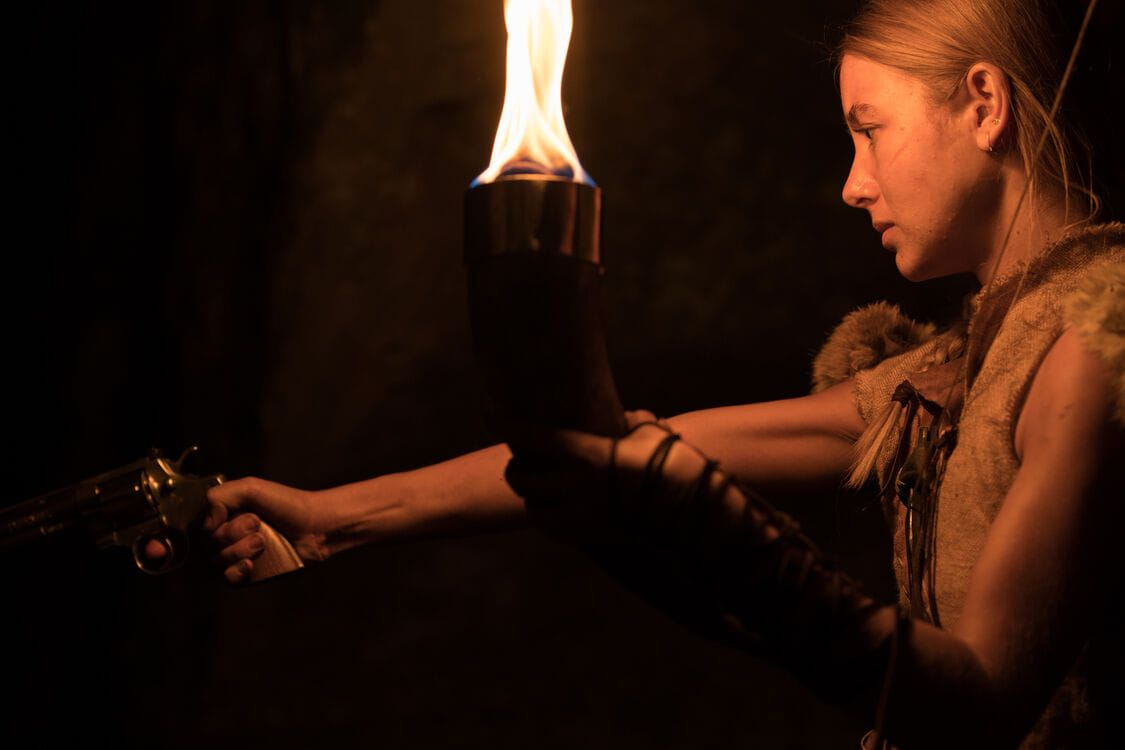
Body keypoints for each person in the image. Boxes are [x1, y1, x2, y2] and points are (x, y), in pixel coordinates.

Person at [193, 0, 1124, 747]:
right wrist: (328, 519)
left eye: (868, 129)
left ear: (983, 103)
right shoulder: (957, 367)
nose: (852, 181)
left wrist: (719, 529)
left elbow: (978, 703)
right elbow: (612, 448)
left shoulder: (1095, 344)